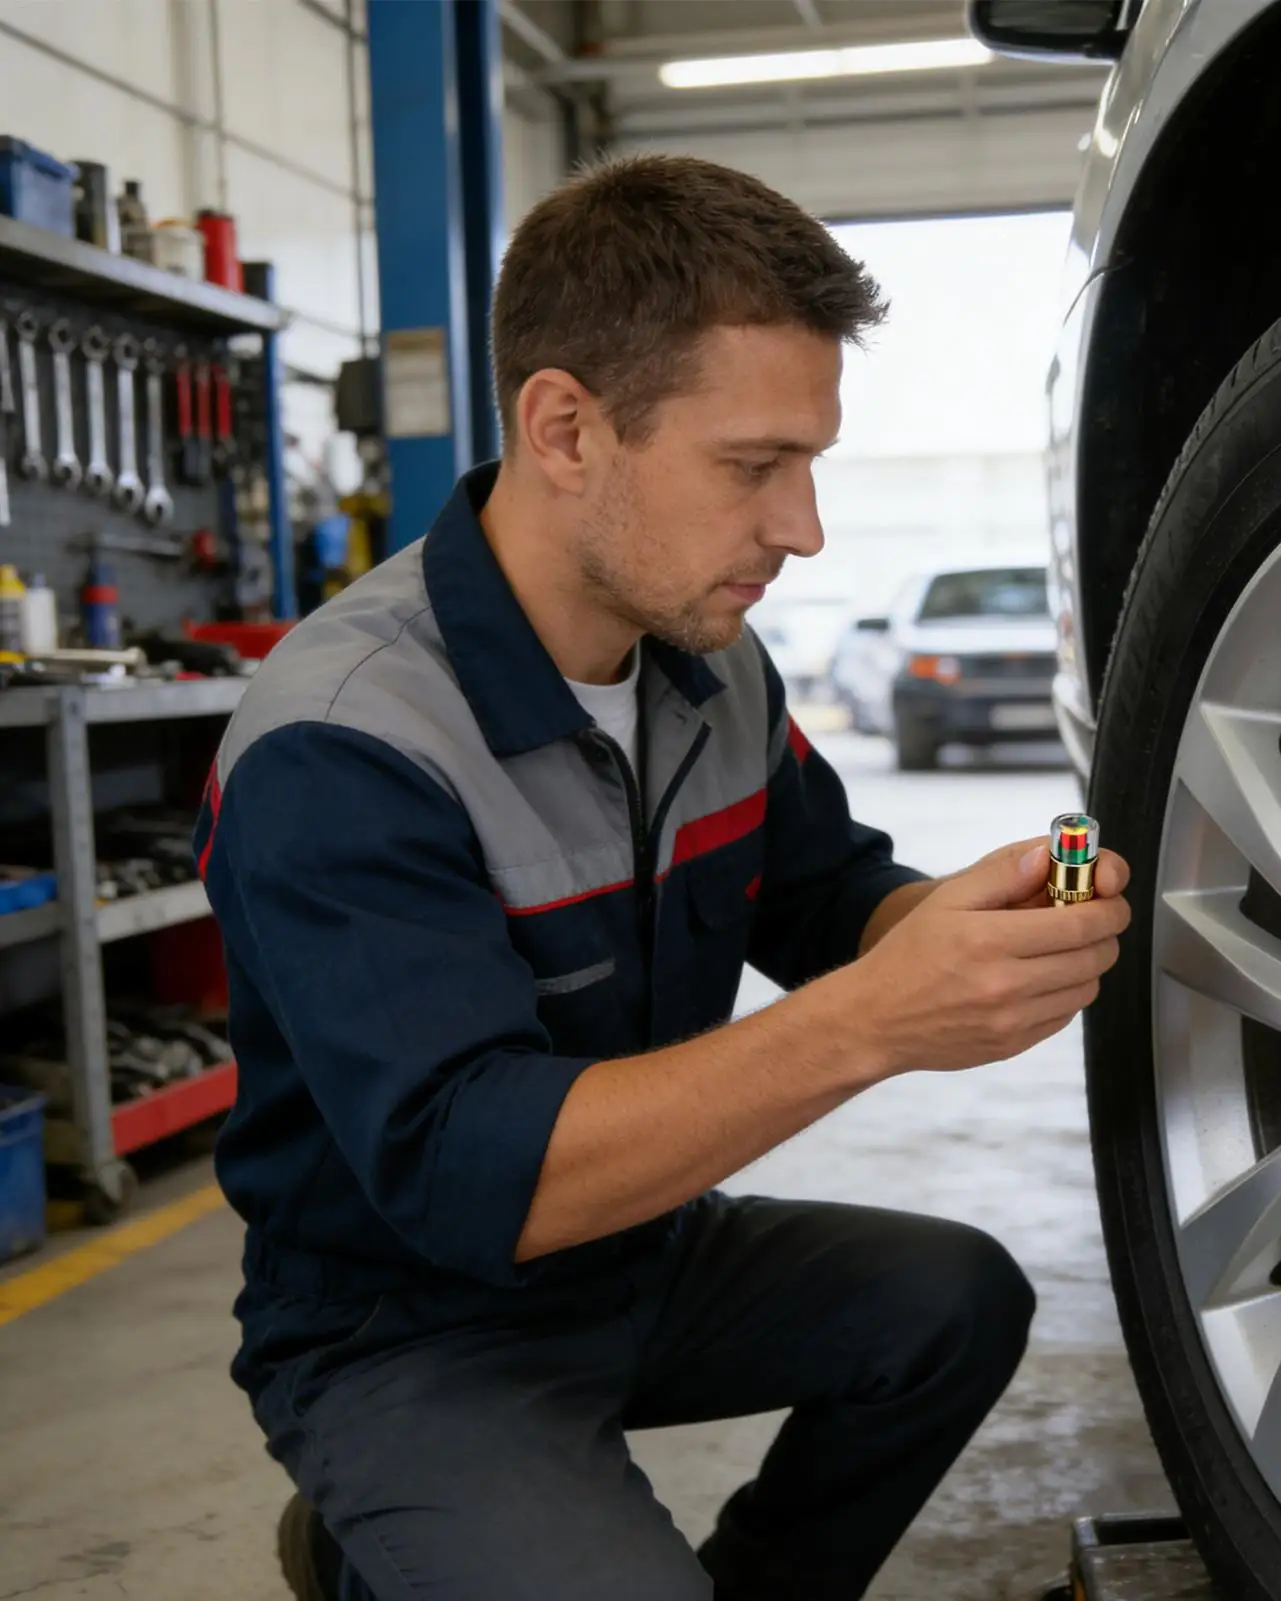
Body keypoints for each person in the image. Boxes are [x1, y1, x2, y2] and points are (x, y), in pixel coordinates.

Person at [195, 154, 1130, 1601]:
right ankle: (389, 1522)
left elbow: (828, 897)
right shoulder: (345, 742)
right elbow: (476, 1175)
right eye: (754, 467)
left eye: (810, 464)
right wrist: (880, 1020)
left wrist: (963, 926)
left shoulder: (709, 663)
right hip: (409, 1319)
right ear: (565, 427)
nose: (802, 529)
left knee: (956, 1303)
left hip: (642, 1253)